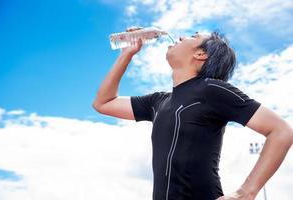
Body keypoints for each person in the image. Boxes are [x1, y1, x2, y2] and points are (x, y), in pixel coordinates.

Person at [92, 28, 293, 200]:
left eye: (193, 36)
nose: (180, 37)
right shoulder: (158, 101)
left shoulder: (212, 90)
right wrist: (126, 55)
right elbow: (103, 103)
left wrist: (247, 192)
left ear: (200, 54)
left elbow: (281, 131)